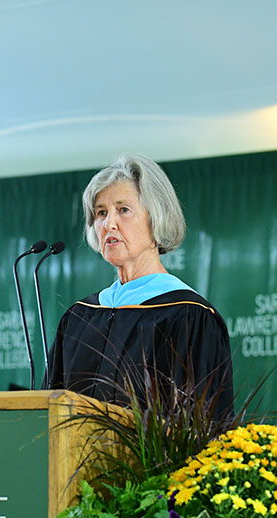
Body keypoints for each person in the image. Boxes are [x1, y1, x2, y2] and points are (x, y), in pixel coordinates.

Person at [44, 153, 233, 418]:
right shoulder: (79, 318)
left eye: (123, 210)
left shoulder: (188, 316)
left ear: (156, 218)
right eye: (101, 213)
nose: (109, 224)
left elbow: (205, 425)